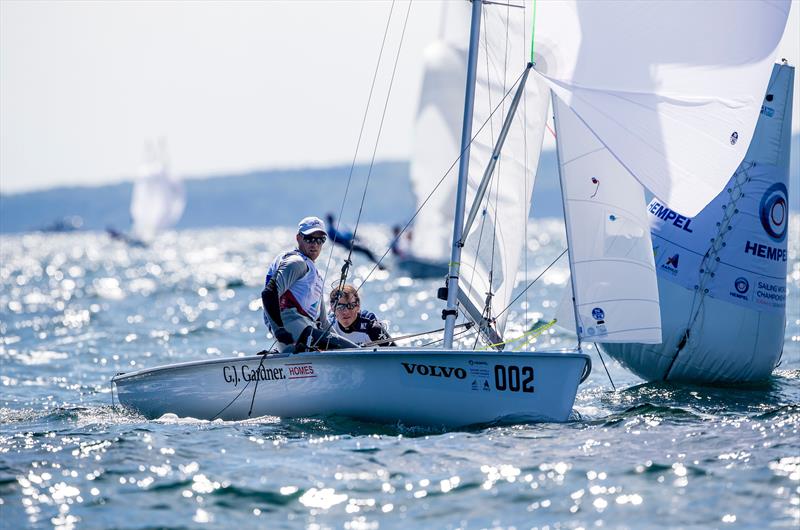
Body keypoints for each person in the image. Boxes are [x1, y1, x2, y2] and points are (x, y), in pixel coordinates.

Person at [261, 216, 357, 352]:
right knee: (351, 351)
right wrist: (279, 331)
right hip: (294, 333)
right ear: (298, 238)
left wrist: (348, 343)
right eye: (309, 238)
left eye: (320, 240)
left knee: (351, 348)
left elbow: (323, 323)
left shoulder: (314, 274)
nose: (315, 244)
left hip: (306, 333)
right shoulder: (296, 262)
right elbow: (269, 293)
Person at [328, 284, 395, 346]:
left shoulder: (372, 328)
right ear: (332, 308)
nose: (346, 312)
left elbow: (397, 355)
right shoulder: (327, 327)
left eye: (350, 306)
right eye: (340, 307)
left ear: (358, 306)